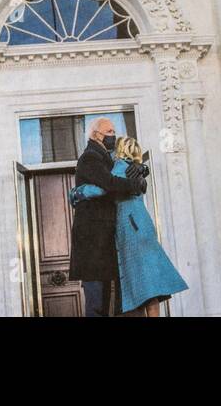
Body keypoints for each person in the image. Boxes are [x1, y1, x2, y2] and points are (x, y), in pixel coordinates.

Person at [71, 136, 188, 315]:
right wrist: (143, 167)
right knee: (151, 288)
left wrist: (77, 192)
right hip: (144, 228)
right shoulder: (135, 170)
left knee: (137, 287)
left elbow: (104, 187)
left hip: (130, 230)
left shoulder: (119, 167)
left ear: (119, 151)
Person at [68, 118, 147, 316]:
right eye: (109, 131)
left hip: (102, 241)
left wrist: (142, 168)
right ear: (96, 135)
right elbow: (109, 182)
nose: (114, 135)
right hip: (92, 241)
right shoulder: (91, 157)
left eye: (114, 130)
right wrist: (135, 184)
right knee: (96, 303)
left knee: (103, 302)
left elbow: (124, 164)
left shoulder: (105, 156)